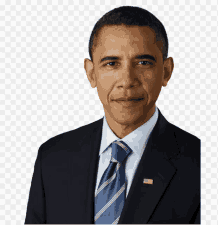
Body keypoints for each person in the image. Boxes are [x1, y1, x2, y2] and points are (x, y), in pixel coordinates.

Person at [25, 6, 200, 224]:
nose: (127, 80)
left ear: (166, 71)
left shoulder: (200, 164)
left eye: (143, 62)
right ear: (91, 73)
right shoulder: (52, 158)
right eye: (111, 63)